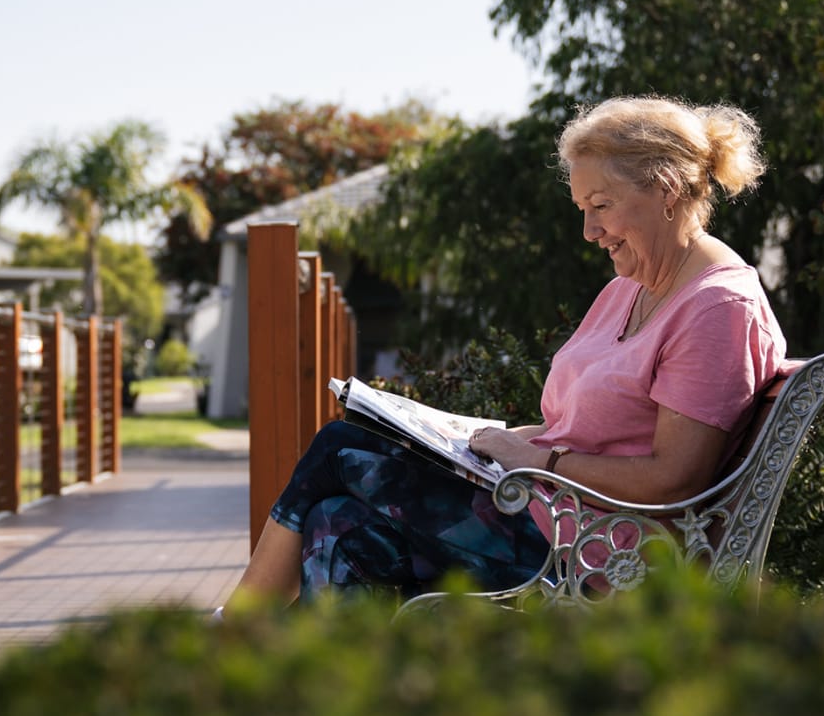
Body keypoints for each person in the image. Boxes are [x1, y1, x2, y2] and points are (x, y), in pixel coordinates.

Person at [223, 95, 788, 613]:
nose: (589, 230)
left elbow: (675, 478)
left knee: (341, 446)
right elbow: (586, 426)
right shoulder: (631, 289)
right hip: (548, 515)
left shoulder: (717, 309)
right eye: (581, 208)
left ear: (665, 189)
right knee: (338, 525)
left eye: (601, 205)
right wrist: (469, 440)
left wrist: (539, 462)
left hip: (595, 553)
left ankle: (236, 632)